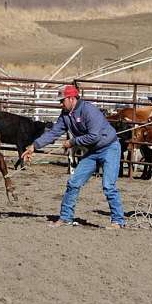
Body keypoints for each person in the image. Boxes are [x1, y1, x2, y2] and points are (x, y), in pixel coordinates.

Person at [21, 84, 126, 228]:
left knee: (108, 185)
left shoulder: (89, 111)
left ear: (71, 99)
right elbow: (53, 133)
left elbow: (94, 136)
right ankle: (66, 217)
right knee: (73, 183)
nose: (60, 104)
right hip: (93, 151)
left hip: (109, 148)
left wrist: (72, 142)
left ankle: (118, 221)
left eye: (62, 100)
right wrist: (34, 146)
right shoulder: (65, 115)